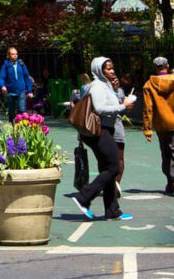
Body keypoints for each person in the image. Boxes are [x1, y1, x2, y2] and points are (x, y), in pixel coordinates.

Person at [68, 57, 135, 222]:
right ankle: (84, 197)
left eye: (112, 68)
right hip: (100, 130)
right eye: (107, 68)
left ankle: (112, 210)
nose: (112, 71)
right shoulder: (97, 85)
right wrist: (122, 107)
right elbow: (100, 108)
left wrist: (122, 103)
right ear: (99, 70)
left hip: (105, 129)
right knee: (113, 167)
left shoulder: (106, 85)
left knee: (107, 167)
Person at [141, 57, 174, 197]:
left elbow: (148, 108)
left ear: (155, 67)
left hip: (161, 126)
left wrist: (148, 128)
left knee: (165, 154)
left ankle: (170, 181)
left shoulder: (148, 85)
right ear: (168, 66)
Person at [0, 47, 35, 116]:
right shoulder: (6, 65)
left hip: (21, 91)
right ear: (8, 55)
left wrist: (30, 91)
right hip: (10, 92)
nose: (15, 55)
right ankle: (12, 125)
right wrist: (2, 86)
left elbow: (26, 77)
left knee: (22, 111)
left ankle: (22, 126)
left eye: (16, 54)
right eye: (13, 54)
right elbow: (1, 78)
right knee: (11, 112)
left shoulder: (21, 64)